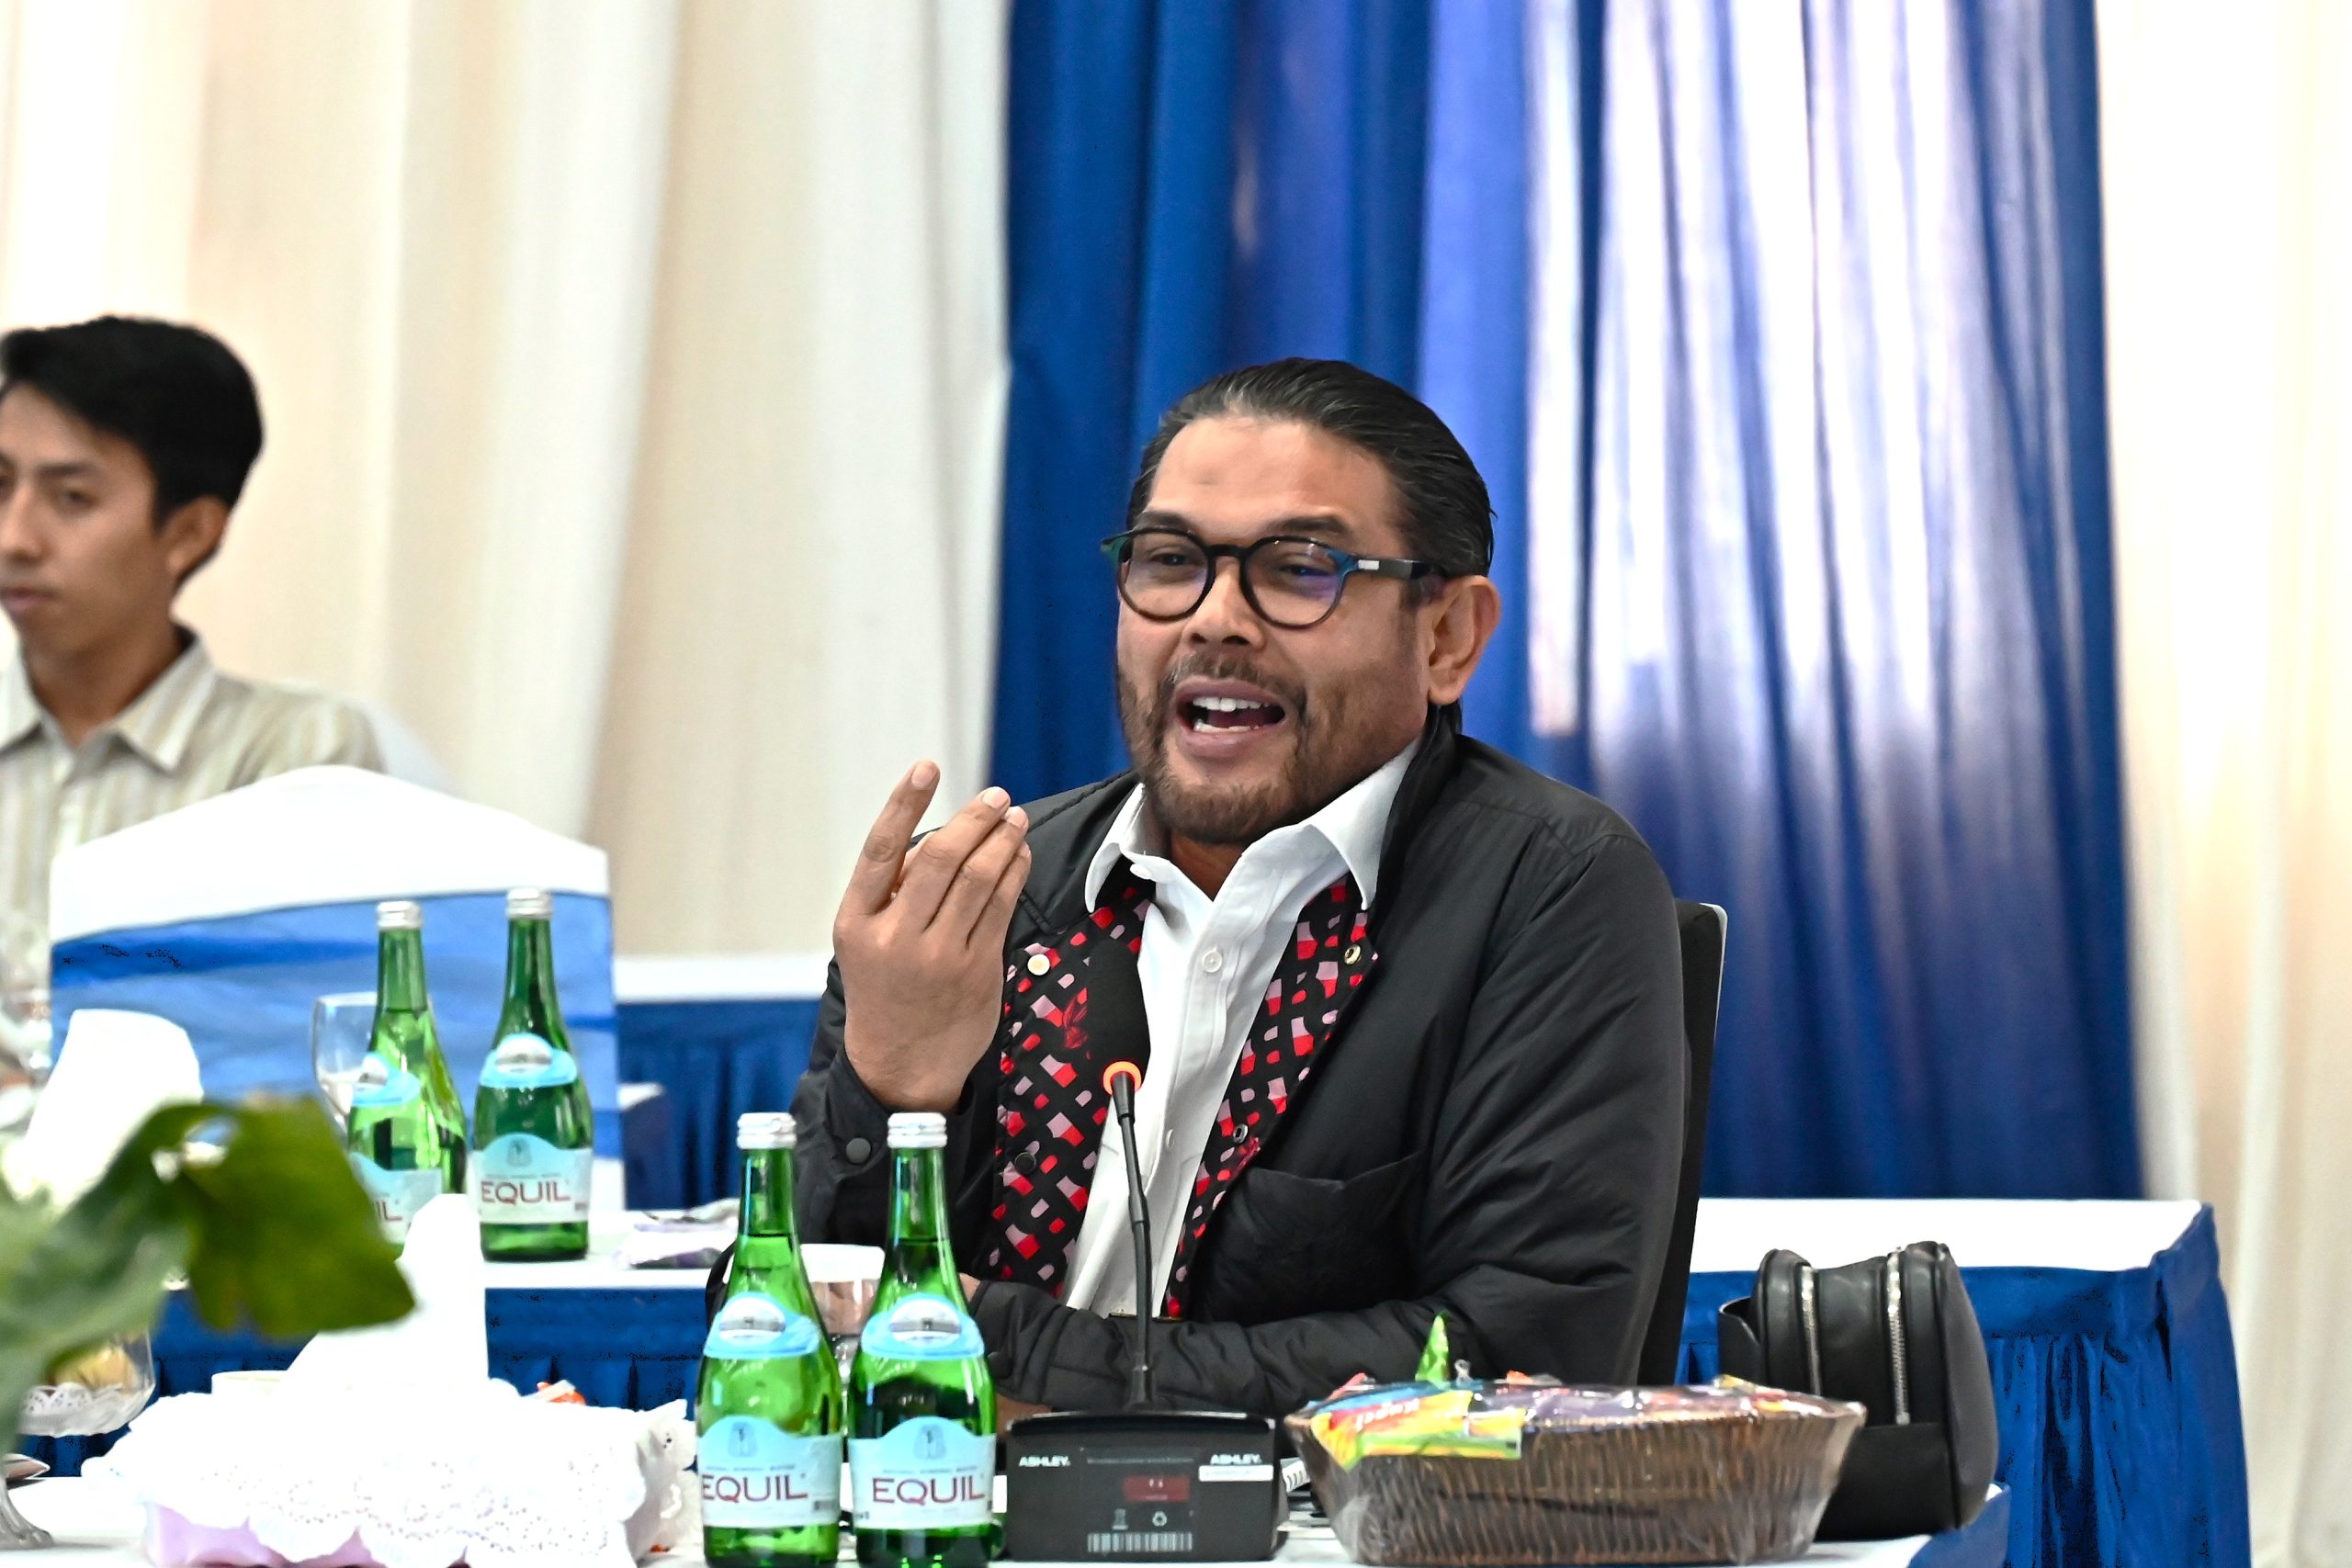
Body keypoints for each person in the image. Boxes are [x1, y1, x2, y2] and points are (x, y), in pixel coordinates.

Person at [791, 358, 1685, 1417]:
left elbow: (1517, 1355)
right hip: (940, 1499)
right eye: (1171, 562)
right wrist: (894, 1089)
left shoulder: (1545, 890)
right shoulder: (985, 895)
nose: (1215, 619)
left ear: (1445, 637)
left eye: (1300, 568)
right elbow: (787, 1323)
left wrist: (1000, 1347)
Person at [0, 316, 381, 959]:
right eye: (0, 485)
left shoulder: (292, 755)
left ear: (190, 533)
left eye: (72, 498)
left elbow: (283, 1003)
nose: (15, 538)